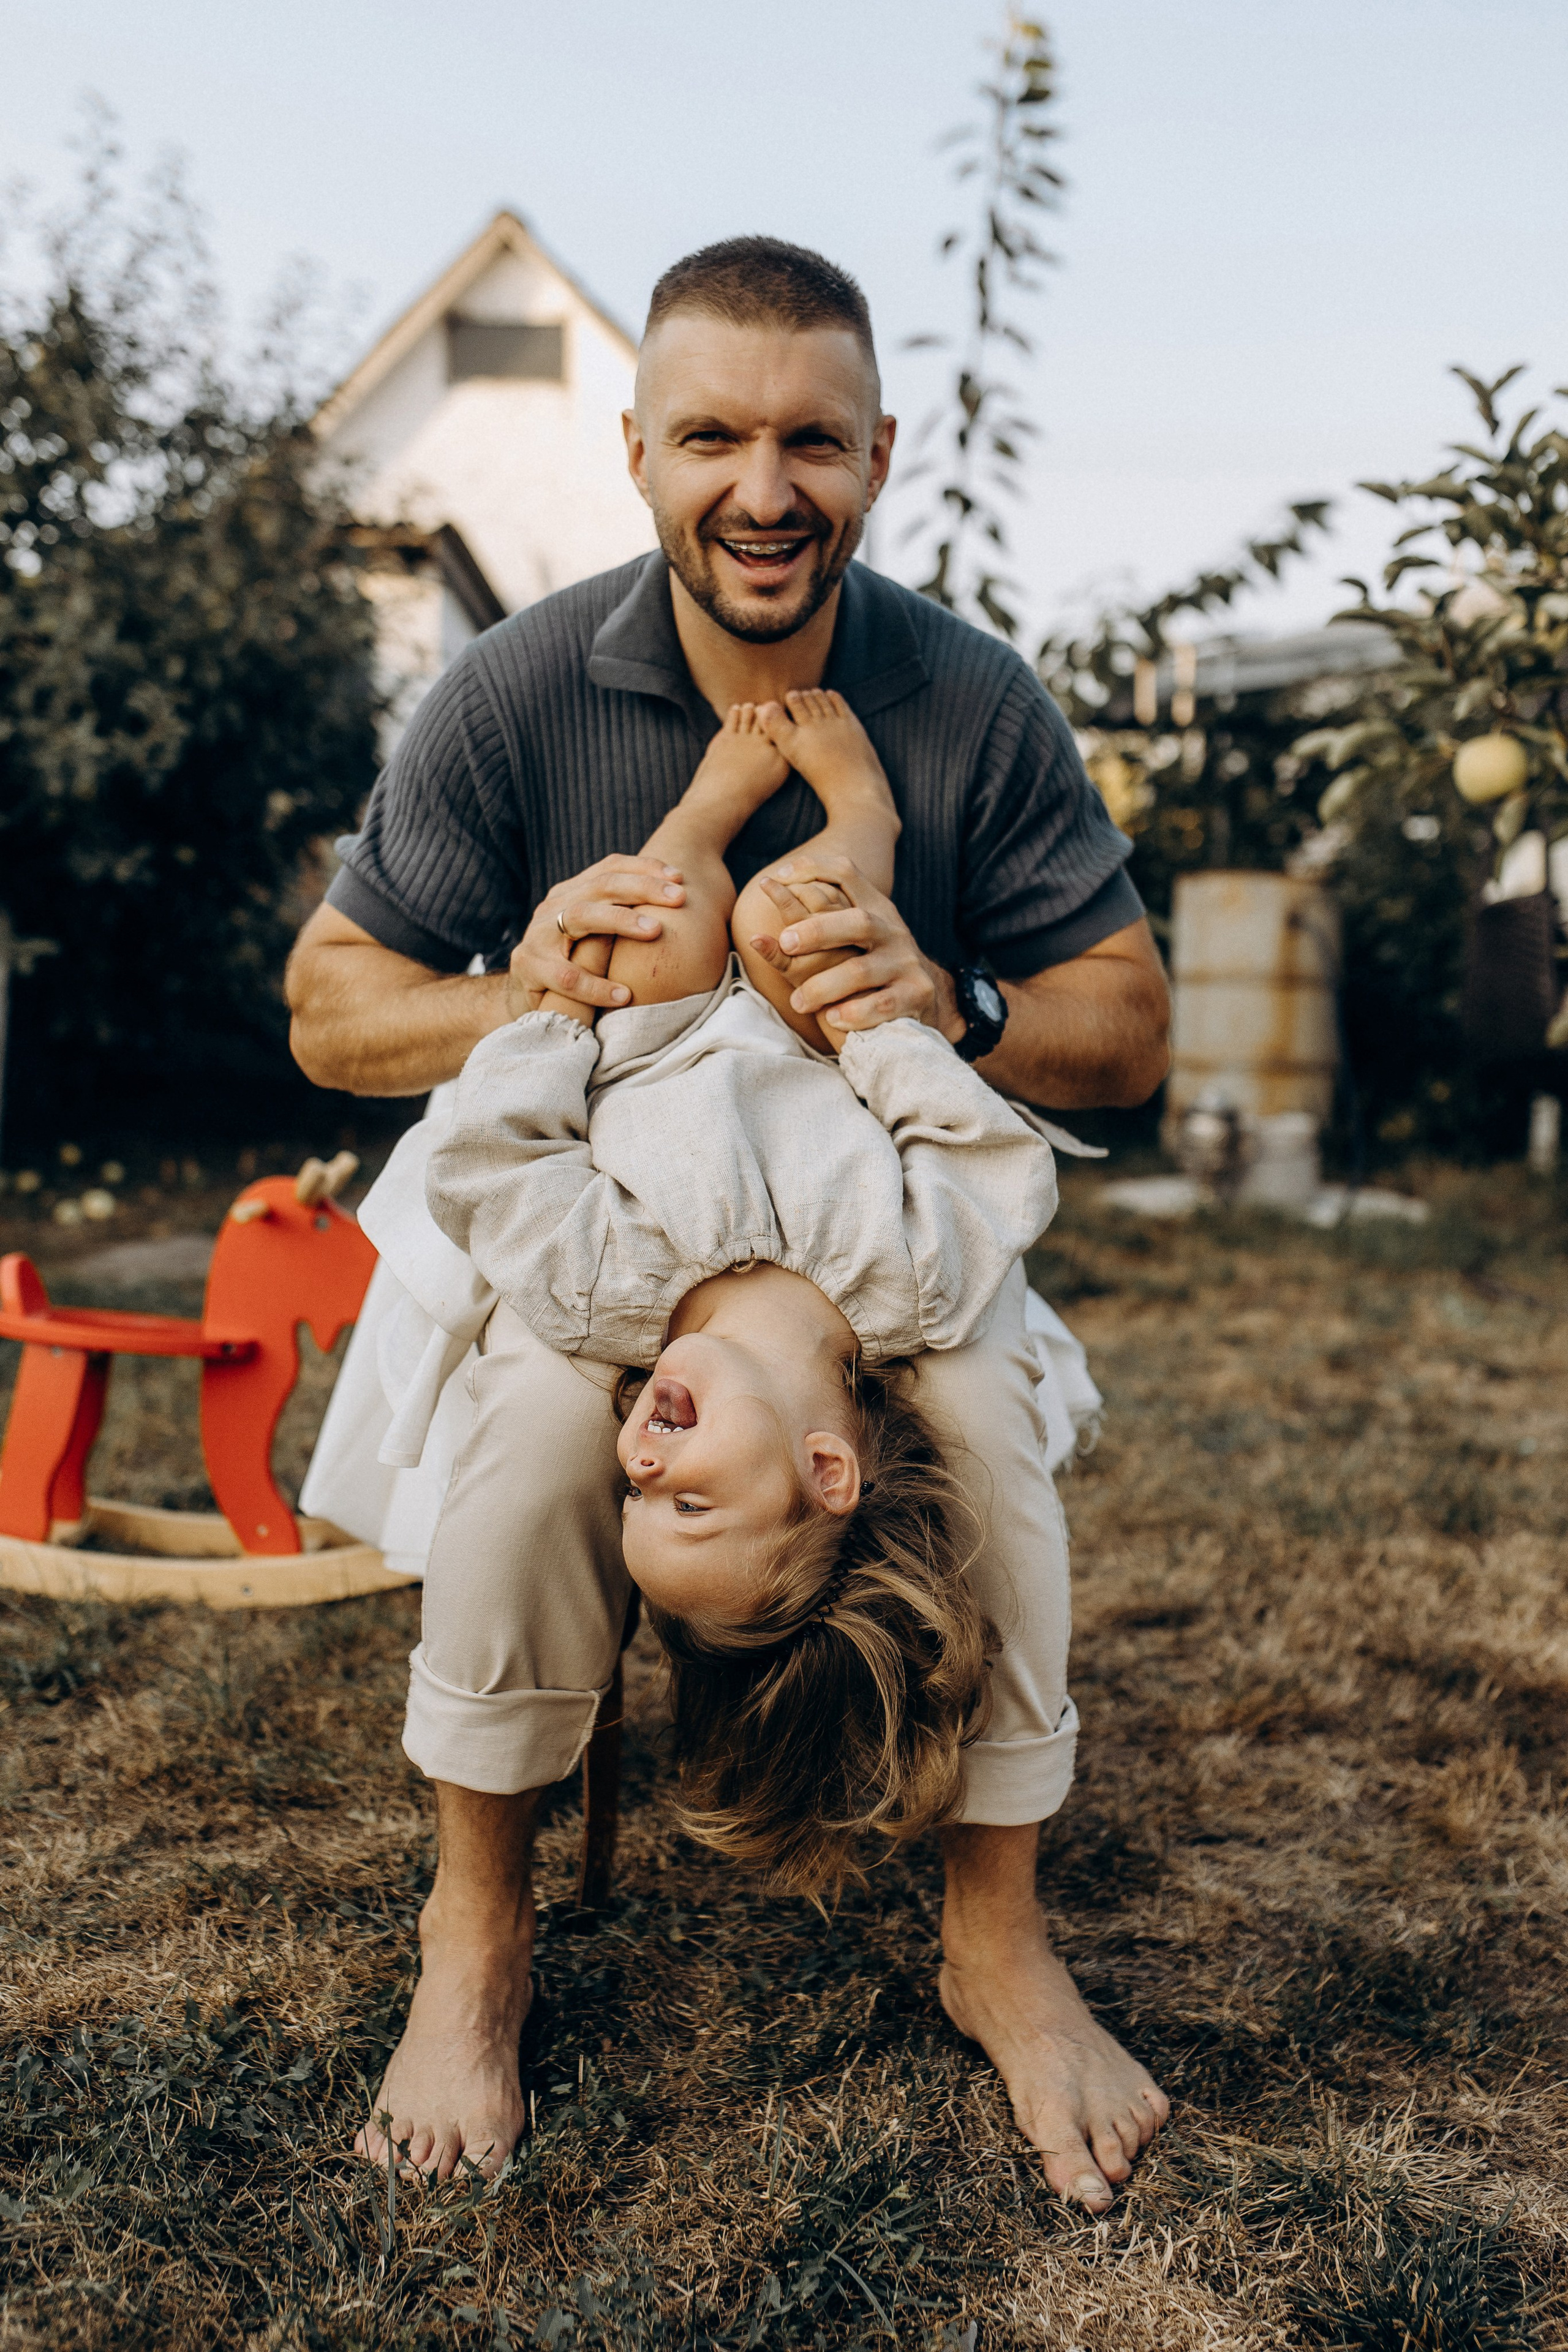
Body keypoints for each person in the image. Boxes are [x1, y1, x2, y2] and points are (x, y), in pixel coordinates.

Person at [285, 235, 1172, 2207]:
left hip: (863, 1236)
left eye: (811, 443)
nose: (764, 490)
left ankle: (998, 1935)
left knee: (994, 1433)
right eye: (711, 439)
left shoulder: (971, 698)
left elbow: (1128, 1027)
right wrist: (538, 991)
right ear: (637, 452)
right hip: (622, 1205)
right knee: (537, 1438)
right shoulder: (519, 690)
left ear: (879, 453)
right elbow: (330, 1009)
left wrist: (957, 1004)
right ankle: (476, 1928)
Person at [404, 685, 1058, 1896]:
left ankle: (706, 810)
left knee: (642, 931)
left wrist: (556, 1018)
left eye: (631, 1498)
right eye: (689, 1504)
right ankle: (862, 811)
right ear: (827, 1470)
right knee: (796, 918)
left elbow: (498, 1166)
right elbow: (984, 1161)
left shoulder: (604, 1298)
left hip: (640, 1040)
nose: (640, 1465)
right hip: (820, 1041)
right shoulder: (911, 1290)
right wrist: (884, 1037)